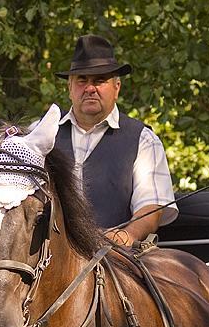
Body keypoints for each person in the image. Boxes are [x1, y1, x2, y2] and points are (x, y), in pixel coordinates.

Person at [51, 34, 176, 246]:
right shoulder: (40, 134)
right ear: (69, 88)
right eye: (82, 80)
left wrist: (127, 235)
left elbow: (151, 208)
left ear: (116, 88)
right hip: (49, 262)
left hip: (116, 260)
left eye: (100, 80)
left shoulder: (142, 140)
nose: (90, 88)